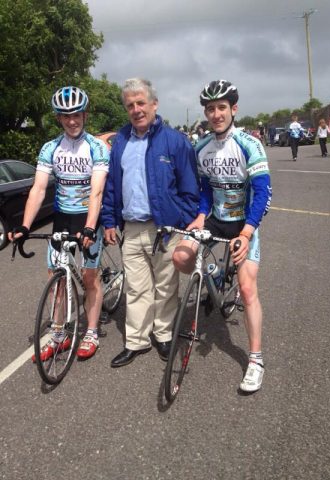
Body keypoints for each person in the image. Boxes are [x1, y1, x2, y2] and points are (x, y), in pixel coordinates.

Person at [172, 80, 272, 393]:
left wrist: (246, 231)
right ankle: (214, 273)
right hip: (215, 220)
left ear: (233, 109)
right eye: (211, 108)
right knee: (180, 256)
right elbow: (204, 189)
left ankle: (255, 359)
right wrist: (201, 216)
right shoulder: (200, 146)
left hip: (244, 222)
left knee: (246, 287)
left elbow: (263, 192)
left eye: (222, 108)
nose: (216, 114)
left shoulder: (249, 143)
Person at [101, 78, 199, 368]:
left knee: (166, 287)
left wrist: (178, 219)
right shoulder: (120, 142)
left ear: (154, 104)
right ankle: (136, 341)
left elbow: (190, 189)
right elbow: (111, 187)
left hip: (166, 229)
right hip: (131, 228)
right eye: (130, 105)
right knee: (136, 287)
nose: (136, 109)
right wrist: (109, 220)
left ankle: (164, 335)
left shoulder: (175, 141)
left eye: (141, 102)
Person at [9, 86, 110, 360]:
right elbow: (39, 189)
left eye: (76, 114)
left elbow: (97, 191)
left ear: (85, 114)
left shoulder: (97, 147)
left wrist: (90, 227)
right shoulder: (50, 148)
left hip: (88, 218)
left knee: (90, 277)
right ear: (58, 119)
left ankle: (90, 331)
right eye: (66, 116)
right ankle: (58, 334)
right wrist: (25, 226)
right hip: (62, 219)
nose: (72, 121)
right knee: (56, 278)